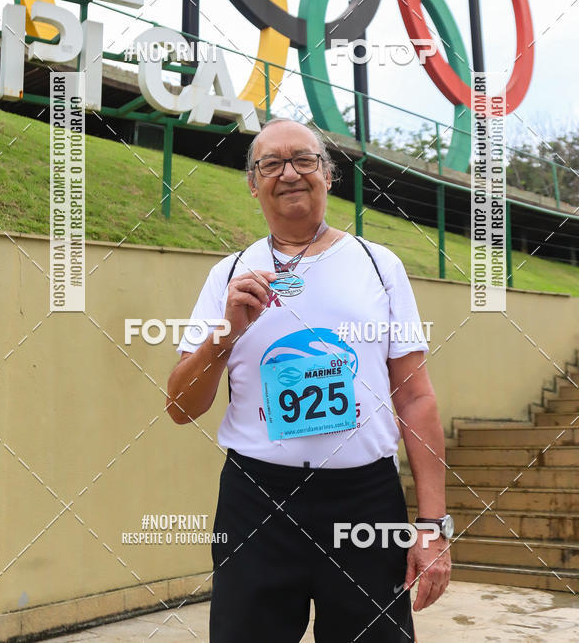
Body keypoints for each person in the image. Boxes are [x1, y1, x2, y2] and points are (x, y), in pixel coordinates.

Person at [167, 117, 451, 643]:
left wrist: (433, 527)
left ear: (327, 173)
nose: (289, 173)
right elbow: (181, 407)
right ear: (253, 183)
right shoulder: (229, 276)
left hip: (365, 501)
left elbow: (415, 397)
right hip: (257, 500)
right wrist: (225, 333)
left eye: (303, 159)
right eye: (270, 163)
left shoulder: (377, 265)